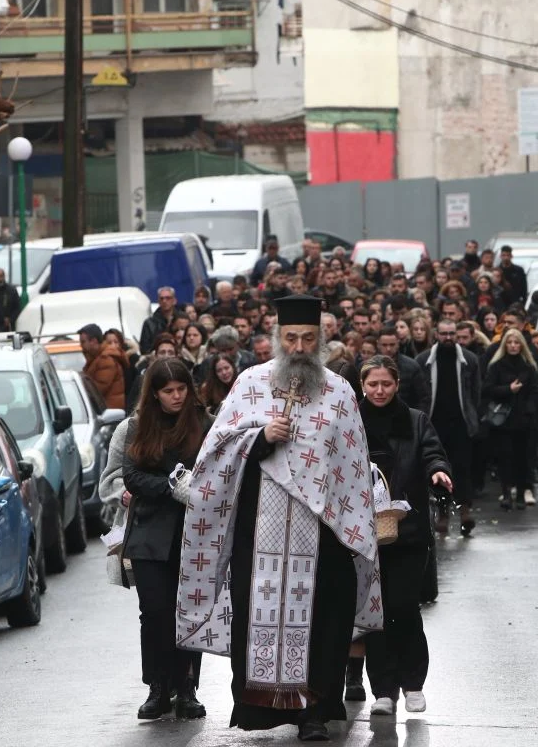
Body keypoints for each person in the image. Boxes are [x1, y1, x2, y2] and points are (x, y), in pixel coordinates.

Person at [174, 294, 383, 742]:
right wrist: (260, 438)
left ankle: (315, 711)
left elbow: (353, 465)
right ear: (277, 338)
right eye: (292, 338)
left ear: (321, 339)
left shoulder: (340, 391)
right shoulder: (250, 384)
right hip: (259, 528)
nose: (300, 346)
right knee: (259, 610)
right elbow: (214, 454)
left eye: (309, 338)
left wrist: (349, 526)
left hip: (323, 531)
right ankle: (262, 708)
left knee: (325, 616)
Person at [101, 358, 211, 720]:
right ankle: (158, 686)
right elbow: (129, 475)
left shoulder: (203, 423)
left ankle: (188, 687)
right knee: (156, 612)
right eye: (168, 391)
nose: (177, 397)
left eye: (182, 389)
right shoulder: (137, 427)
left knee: (189, 613)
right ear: (155, 393)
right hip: (149, 534)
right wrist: (170, 487)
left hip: (194, 533)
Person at [357, 355, 452, 716]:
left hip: (409, 531)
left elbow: (432, 452)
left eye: (386, 384)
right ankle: (382, 690)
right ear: (362, 386)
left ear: (397, 384)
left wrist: (438, 472)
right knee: (375, 612)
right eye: (372, 384)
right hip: (364, 532)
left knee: (404, 606)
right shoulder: (352, 422)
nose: (379, 391)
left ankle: (413, 684)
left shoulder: (415, 420)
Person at [414, 318, 480, 536]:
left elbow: (476, 393)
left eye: (452, 333)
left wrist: (472, 416)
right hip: (435, 423)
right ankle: (442, 514)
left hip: (461, 423)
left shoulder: (469, 360)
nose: (449, 338)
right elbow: (421, 393)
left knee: (463, 468)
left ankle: (465, 512)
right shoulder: (424, 360)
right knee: (439, 470)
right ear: (436, 334)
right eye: (444, 334)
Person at [482, 329, 538, 510]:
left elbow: (536, 390)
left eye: (516, 343)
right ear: (505, 345)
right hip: (504, 420)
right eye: (510, 343)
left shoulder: (528, 366)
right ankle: (507, 493)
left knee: (523, 459)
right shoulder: (497, 366)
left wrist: (530, 409)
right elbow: (488, 389)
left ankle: (523, 492)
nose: (513, 346)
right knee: (505, 458)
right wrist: (508, 389)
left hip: (524, 420)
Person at [377, 326, 431, 412]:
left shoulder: (412, 366)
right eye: (384, 345)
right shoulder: (367, 367)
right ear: (378, 344)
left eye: (392, 344)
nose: (388, 349)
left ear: (398, 343)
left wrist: (415, 419)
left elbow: (423, 398)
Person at [80, 323, 128, 410]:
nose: (81, 346)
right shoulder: (96, 359)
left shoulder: (105, 360)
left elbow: (97, 390)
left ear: (94, 341)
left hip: (110, 414)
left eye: (83, 342)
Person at [140, 287, 178, 353]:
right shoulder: (149, 323)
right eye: (161, 298)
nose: (164, 301)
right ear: (158, 301)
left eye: (168, 298)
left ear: (174, 301)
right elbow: (144, 349)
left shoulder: (181, 320)